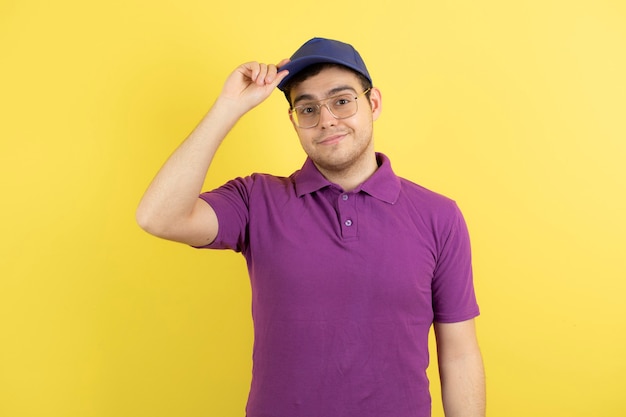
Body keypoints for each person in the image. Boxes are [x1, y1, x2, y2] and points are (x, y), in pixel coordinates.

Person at [136, 37, 485, 417]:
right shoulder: (256, 199)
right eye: (307, 108)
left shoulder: (439, 215)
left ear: (373, 103)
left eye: (342, 100)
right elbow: (158, 216)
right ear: (294, 122)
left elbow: (460, 355)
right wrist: (228, 108)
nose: (326, 120)